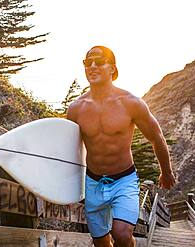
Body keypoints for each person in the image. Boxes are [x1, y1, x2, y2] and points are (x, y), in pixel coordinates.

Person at [67, 46, 176, 247]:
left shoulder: (131, 103)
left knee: (123, 235)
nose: (92, 66)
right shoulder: (76, 109)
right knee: (100, 241)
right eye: (87, 62)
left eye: (99, 62)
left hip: (124, 180)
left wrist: (166, 172)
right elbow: (68, 150)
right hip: (93, 182)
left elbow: (156, 137)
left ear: (112, 69)